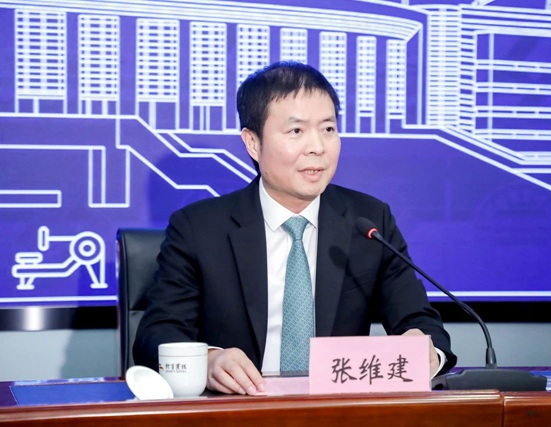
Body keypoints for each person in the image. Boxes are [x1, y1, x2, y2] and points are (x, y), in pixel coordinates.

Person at [133, 61, 456, 395]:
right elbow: (156, 335)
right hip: (238, 410)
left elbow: (421, 323)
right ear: (253, 142)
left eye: (328, 129)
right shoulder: (199, 228)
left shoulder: (369, 221)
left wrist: (424, 349)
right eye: (296, 131)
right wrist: (210, 360)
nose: (317, 147)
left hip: (338, 411)